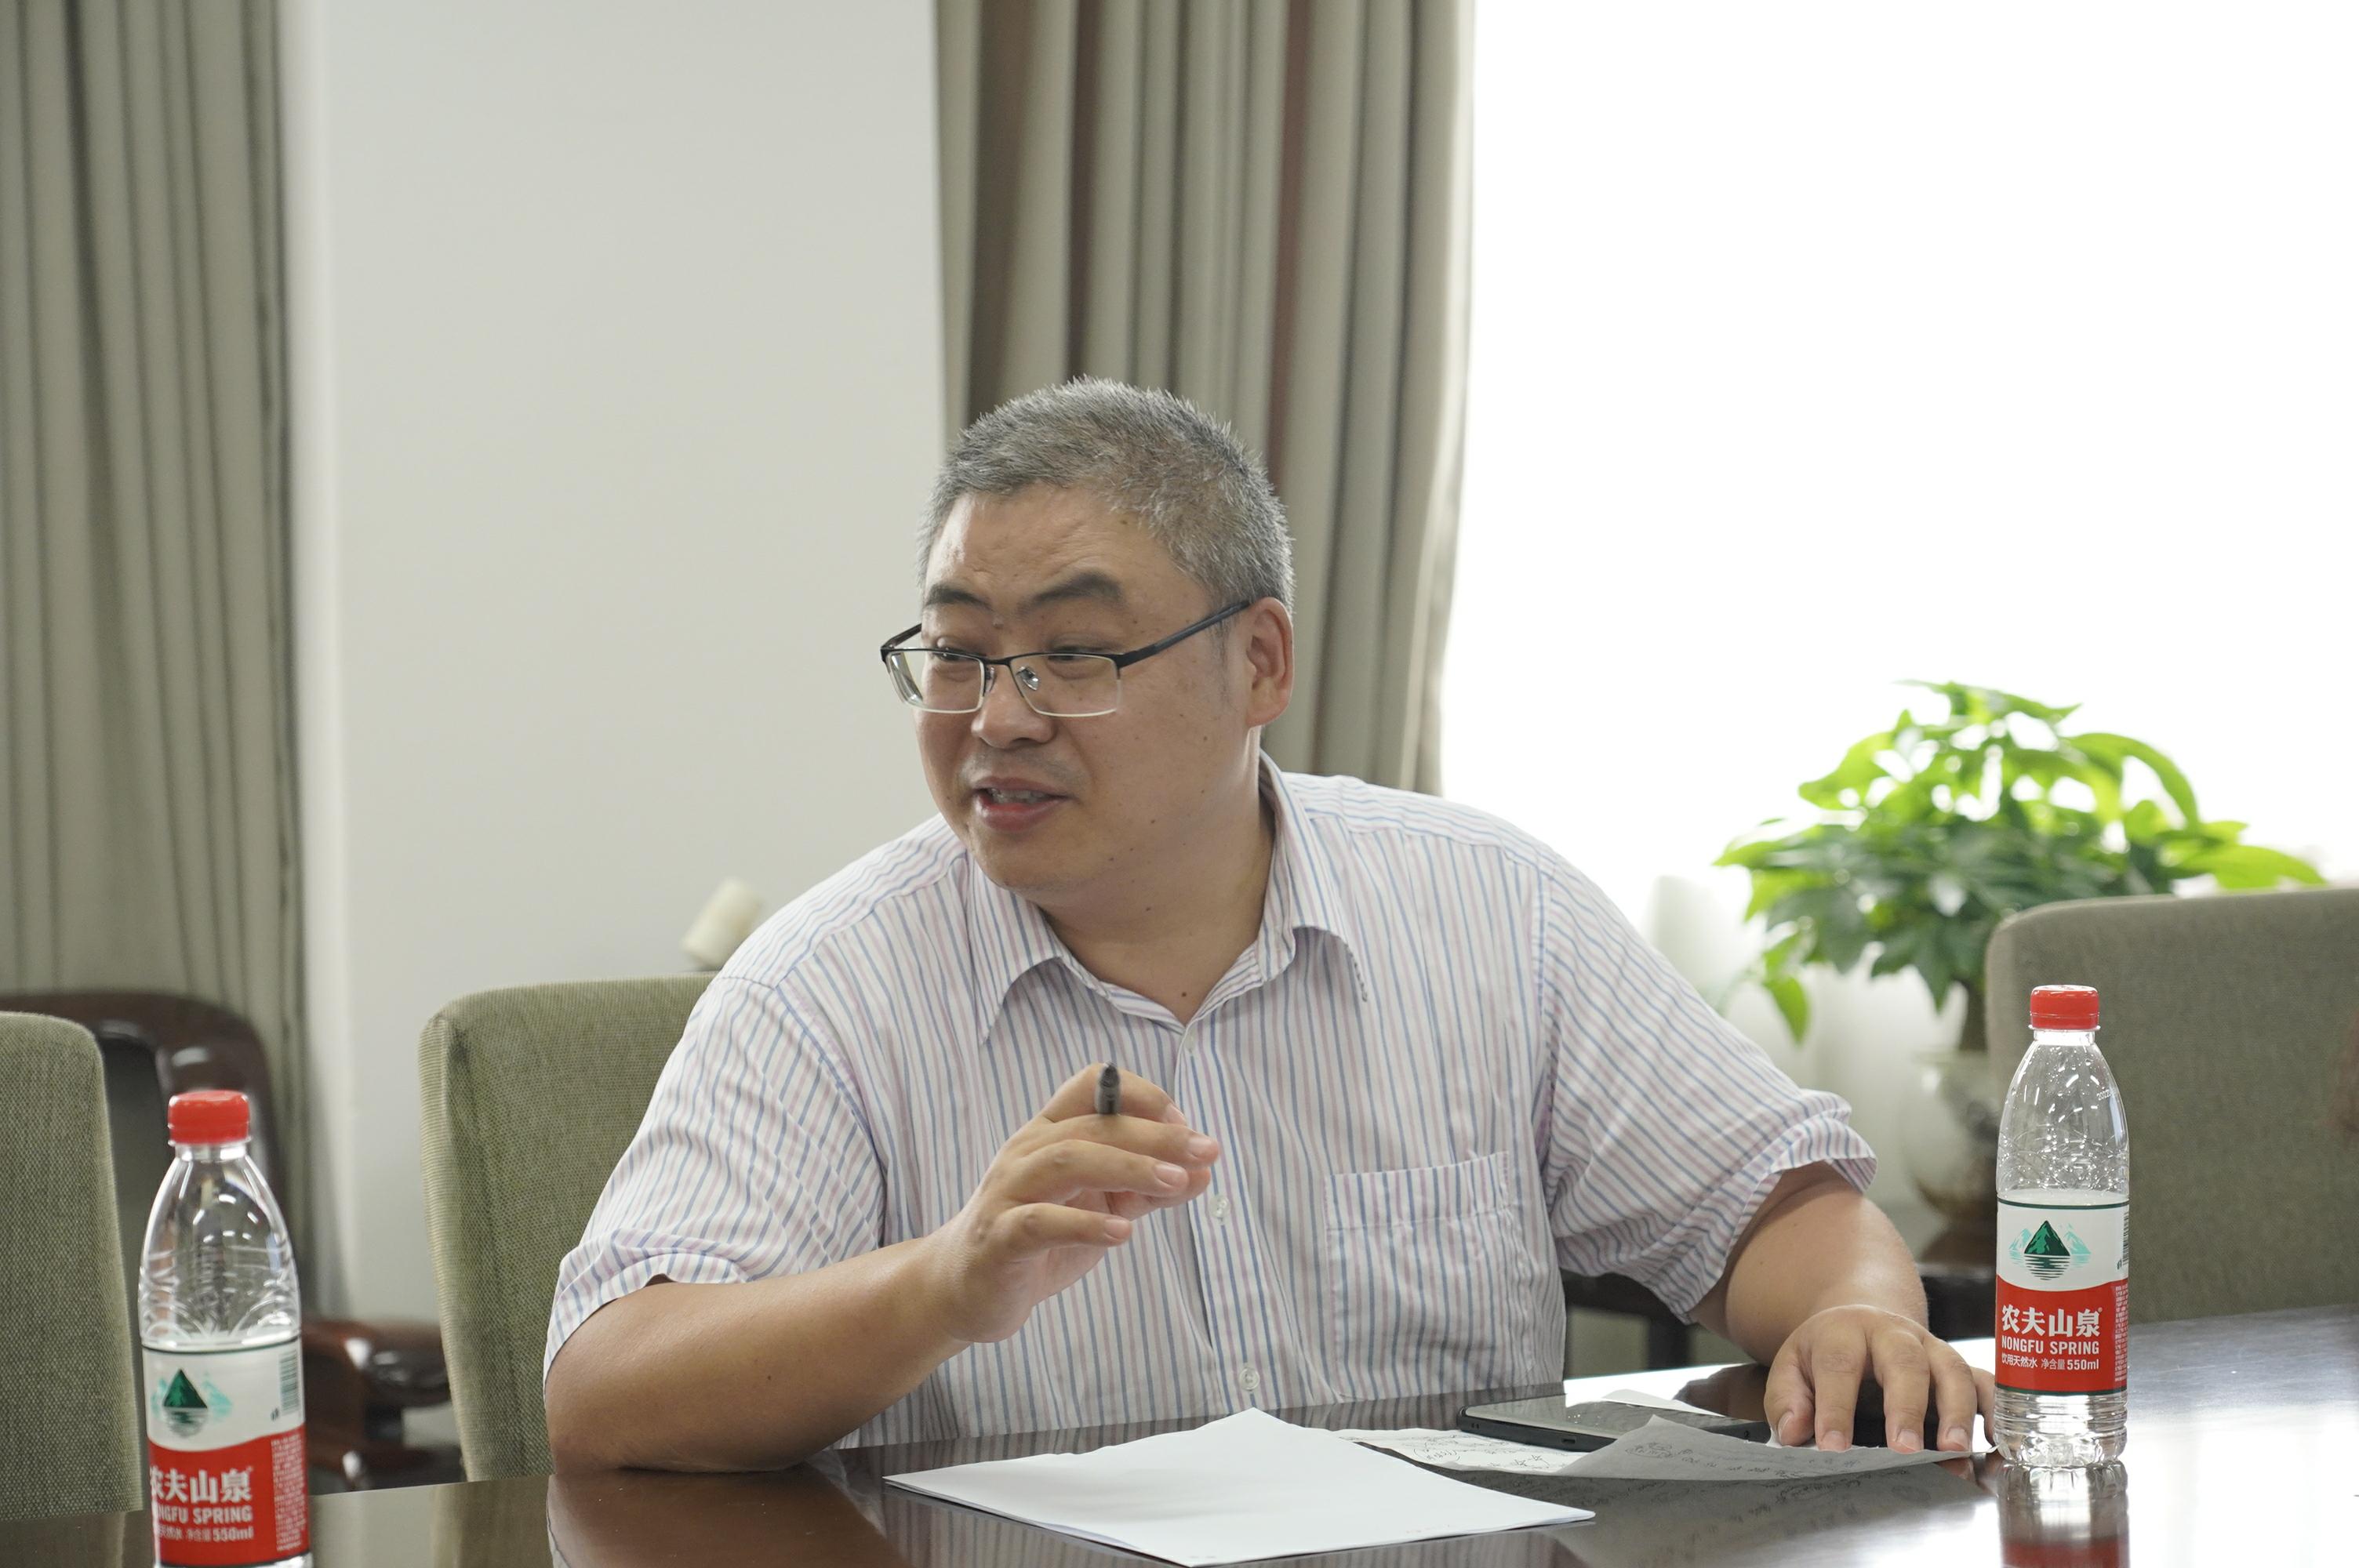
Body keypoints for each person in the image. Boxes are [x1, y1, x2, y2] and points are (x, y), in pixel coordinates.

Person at [543, 379, 1994, 1472]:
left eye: (1071, 655)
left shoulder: (1493, 911)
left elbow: (1771, 1205)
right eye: (960, 654)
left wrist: (1855, 1315)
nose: (995, 718)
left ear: (1259, 661)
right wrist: (947, 1282)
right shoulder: (826, 985)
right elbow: (605, 1392)